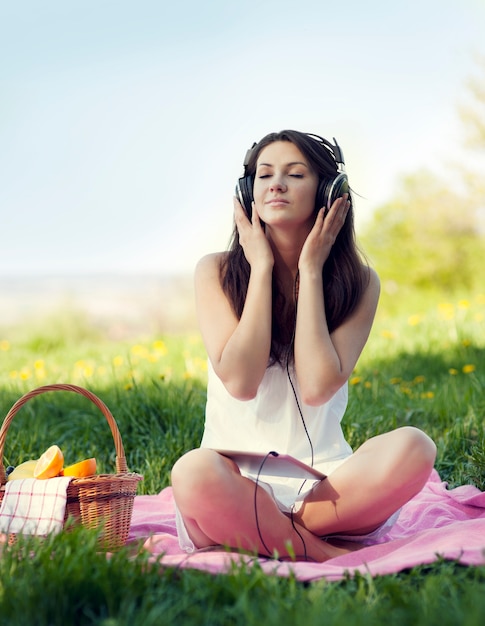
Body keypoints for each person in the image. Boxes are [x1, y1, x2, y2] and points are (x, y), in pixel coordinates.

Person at [171, 130, 436, 562]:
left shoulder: (360, 282)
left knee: (415, 447)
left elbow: (316, 387)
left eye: (295, 174)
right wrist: (261, 269)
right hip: (232, 480)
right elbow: (240, 381)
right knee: (192, 472)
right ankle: (325, 555)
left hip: (325, 492)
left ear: (329, 193)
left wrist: (310, 270)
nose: (275, 184)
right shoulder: (215, 272)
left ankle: (271, 536)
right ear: (247, 193)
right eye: (264, 175)